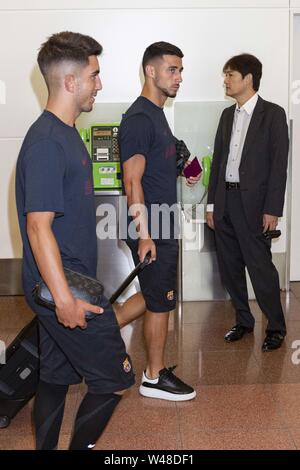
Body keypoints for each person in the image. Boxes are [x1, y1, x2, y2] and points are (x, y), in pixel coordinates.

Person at [15, 31, 134, 450]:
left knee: (55, 378)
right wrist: (64, 299)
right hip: (62, 287)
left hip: (66, 280)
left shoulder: (66, 134)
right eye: (94, 75)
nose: (99, 85)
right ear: (70, 81)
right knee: (115, 379)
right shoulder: (47, 143)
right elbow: (37, 227)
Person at [116, 41, 200, 401]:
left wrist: (186, 169)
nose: (179, 77)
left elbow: (156, 165)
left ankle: (97, 333)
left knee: (154, 295)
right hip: (151, 226)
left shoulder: (156, 114)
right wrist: (145, 234)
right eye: (172, 70)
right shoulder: (138, 118)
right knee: (162, 300)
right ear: (151, 71)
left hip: (162, 223)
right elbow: (132, 181)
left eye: (180, 70)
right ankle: (153, 376)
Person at [206, 53, 289, 352]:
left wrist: (272, 210)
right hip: (225, 201)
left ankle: (276, 327)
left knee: (260, 268)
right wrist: (212, 205)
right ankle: (244, 320)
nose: (226, 80)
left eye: (230, 75)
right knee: (230, 266)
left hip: (255, 206)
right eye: (225, 75)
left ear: (248, 78)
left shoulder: (273, 114)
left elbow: (280, 166)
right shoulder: (227, 116)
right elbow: (218, 162)